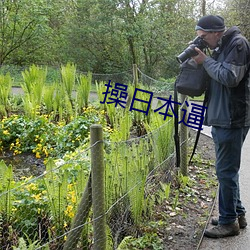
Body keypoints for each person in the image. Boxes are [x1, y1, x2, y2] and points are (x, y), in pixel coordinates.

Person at [192, 15, 250, 238]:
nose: (203, 41)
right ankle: (237, 214)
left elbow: (229, 77)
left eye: (204, 37)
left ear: (216, 32)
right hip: (222, 117)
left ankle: (228, 223)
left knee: (225, 171)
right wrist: (202, 60)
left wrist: (205, 61)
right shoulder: (221, 46)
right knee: (227, 171)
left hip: (232, 118)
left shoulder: (238, 44)